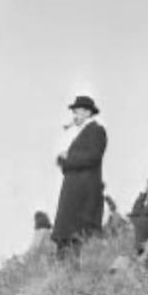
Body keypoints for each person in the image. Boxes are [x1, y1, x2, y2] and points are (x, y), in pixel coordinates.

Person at [52, 95, 108, 257]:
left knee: (75, 233)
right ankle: (64, 269)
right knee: (66, 234)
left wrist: (66, 159)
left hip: (83, 191)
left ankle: (70, 269)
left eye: (76, 113)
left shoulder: (96, 130)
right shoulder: (83, 132)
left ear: (86, 112)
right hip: (75, 189)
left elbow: (93, 157)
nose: (74, 117)